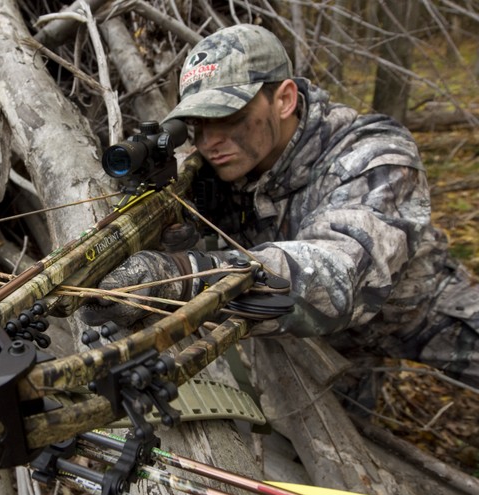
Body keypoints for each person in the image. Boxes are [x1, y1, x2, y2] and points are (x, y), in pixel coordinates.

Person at [79, 24, 479, 387]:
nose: (208, 141)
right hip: (319, 342)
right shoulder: (221, 165)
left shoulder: (374, 156)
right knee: (344, 439)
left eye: (228, 117)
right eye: (198, 125)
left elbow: (338, 279)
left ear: (284, 99)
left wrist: (182, 273)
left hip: (415, 313)